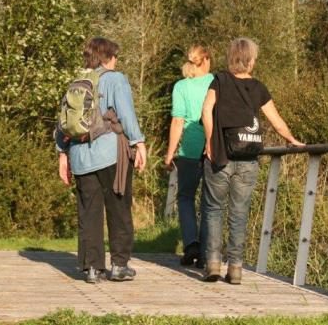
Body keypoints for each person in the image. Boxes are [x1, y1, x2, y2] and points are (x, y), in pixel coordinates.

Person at [201, 38, 303, 284]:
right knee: (239, 212)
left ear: (231, 58)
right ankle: (235, 268)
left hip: (220, 154)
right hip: (248, 157)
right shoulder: (258, 87)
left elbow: (206, 111)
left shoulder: (219, 81)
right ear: (250, 60)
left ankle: (213, 263)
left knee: (214, 210)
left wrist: (209, 140)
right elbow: (275, 119)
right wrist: (292, 138)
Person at [56, 37, 147, 284]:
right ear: (108, 57)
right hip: (110, 155)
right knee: (119, 207)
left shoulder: (77, 83)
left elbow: (63, 124)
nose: (117, 61)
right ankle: (119, 265)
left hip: (80, 156)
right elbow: (126, 115)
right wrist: (139, 143)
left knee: (89, 212)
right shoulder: (115, 79)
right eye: (115, 57)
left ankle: (92, 269)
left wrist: (62, 154)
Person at [164, 45, 213, 268]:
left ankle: (191, 244)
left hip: (190, 150)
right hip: (213, 148)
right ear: (205, 61)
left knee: (185, 197)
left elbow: (177, 121)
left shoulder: (181, 86)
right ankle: (206, 251)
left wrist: (170, 153)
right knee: (210, 201)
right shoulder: (217, 81)